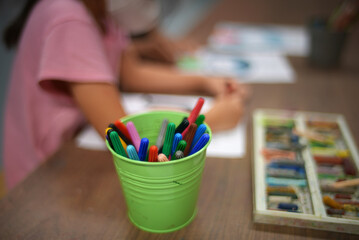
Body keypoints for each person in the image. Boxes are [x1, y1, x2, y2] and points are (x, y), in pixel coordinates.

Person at [2, 0, 249, 189]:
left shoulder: (101, 13)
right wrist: (211, 120)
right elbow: (123, 136)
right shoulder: (69, 18)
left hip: (72, 151)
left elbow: (131, 74)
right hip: (43, 177)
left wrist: (206, 82)